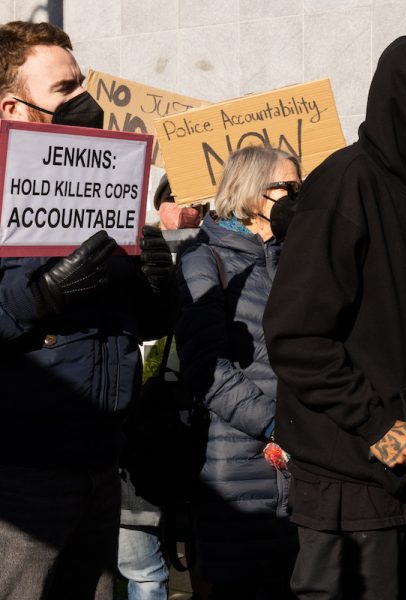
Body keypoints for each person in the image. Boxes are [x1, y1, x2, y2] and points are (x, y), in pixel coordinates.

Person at [262, 33, 406, 600]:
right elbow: (296, 337)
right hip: (346, 468)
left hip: (393, 472)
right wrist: (381, 430)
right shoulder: (347, 184)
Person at [0, 21, 175, 599]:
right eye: (64, 90)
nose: (87, 104)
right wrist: (40, 294)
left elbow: (138, 324)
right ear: (15, 108)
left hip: (101, 459)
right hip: (21, 471)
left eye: (83, 84)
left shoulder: (105, 184)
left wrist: (155, 285)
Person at [176, 145, 301, 599]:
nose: (296, 196)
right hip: (236, 462)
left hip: (300, 461)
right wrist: (273, 423)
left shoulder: (297, 258)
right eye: (286, 188)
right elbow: (207, 368)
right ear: (251, 193)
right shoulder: (205, 260)